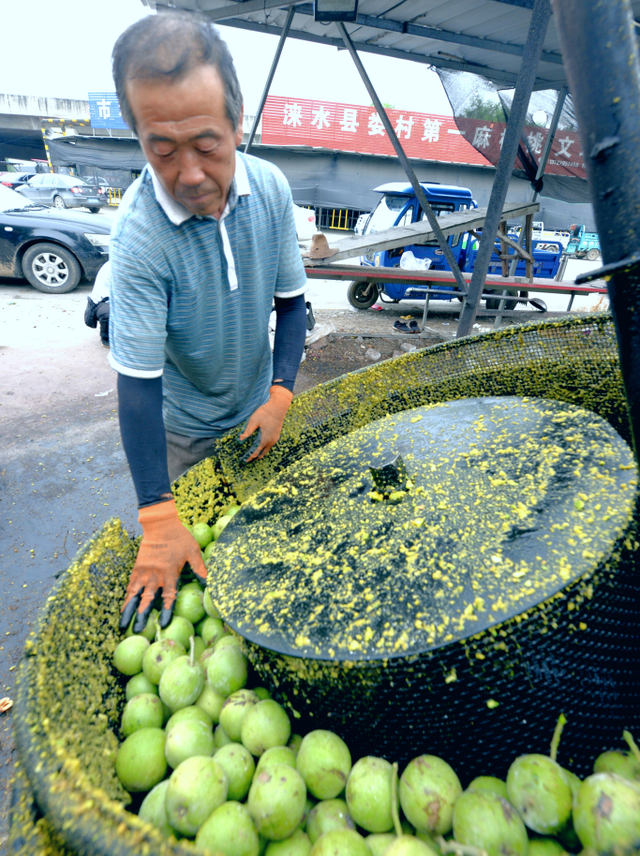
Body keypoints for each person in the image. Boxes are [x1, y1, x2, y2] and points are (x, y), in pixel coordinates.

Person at [109, 12, 308, 634]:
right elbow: (137, 383)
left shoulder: (270, 189)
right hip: (182, 430)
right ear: (137, 135)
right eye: (161, 150)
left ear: (237, 122)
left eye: (206, 144)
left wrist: (280, 393)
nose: (189, 174)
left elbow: (292, 303)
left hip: (256, 410)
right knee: (200, 575)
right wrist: (155, 514)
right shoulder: (138, 239)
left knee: (264, 548)